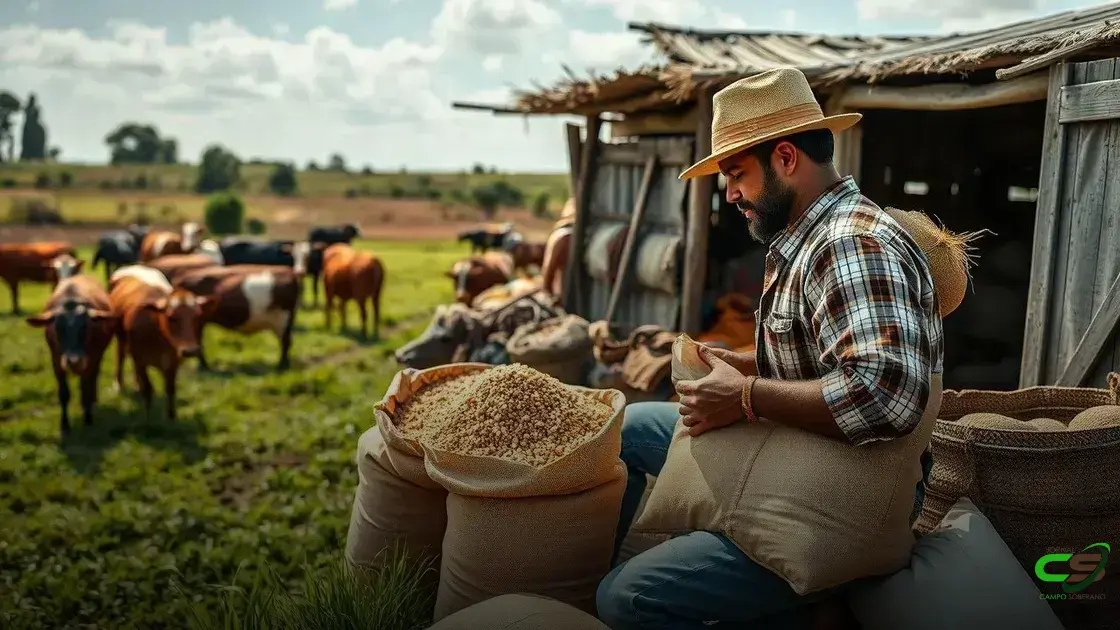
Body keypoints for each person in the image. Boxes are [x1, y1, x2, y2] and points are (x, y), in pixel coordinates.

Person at [596, 67, 944, 629]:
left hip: (836, 496)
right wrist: (746, 362)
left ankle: (804, 597)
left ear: (786, 158)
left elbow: (887, 397)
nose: (729, 193)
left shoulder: (851, 245)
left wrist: (747, 397)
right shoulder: (807, 236)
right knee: (633, 428)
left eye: (736, 174)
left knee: (627, 600)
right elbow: (825, 349)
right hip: (794, 446)